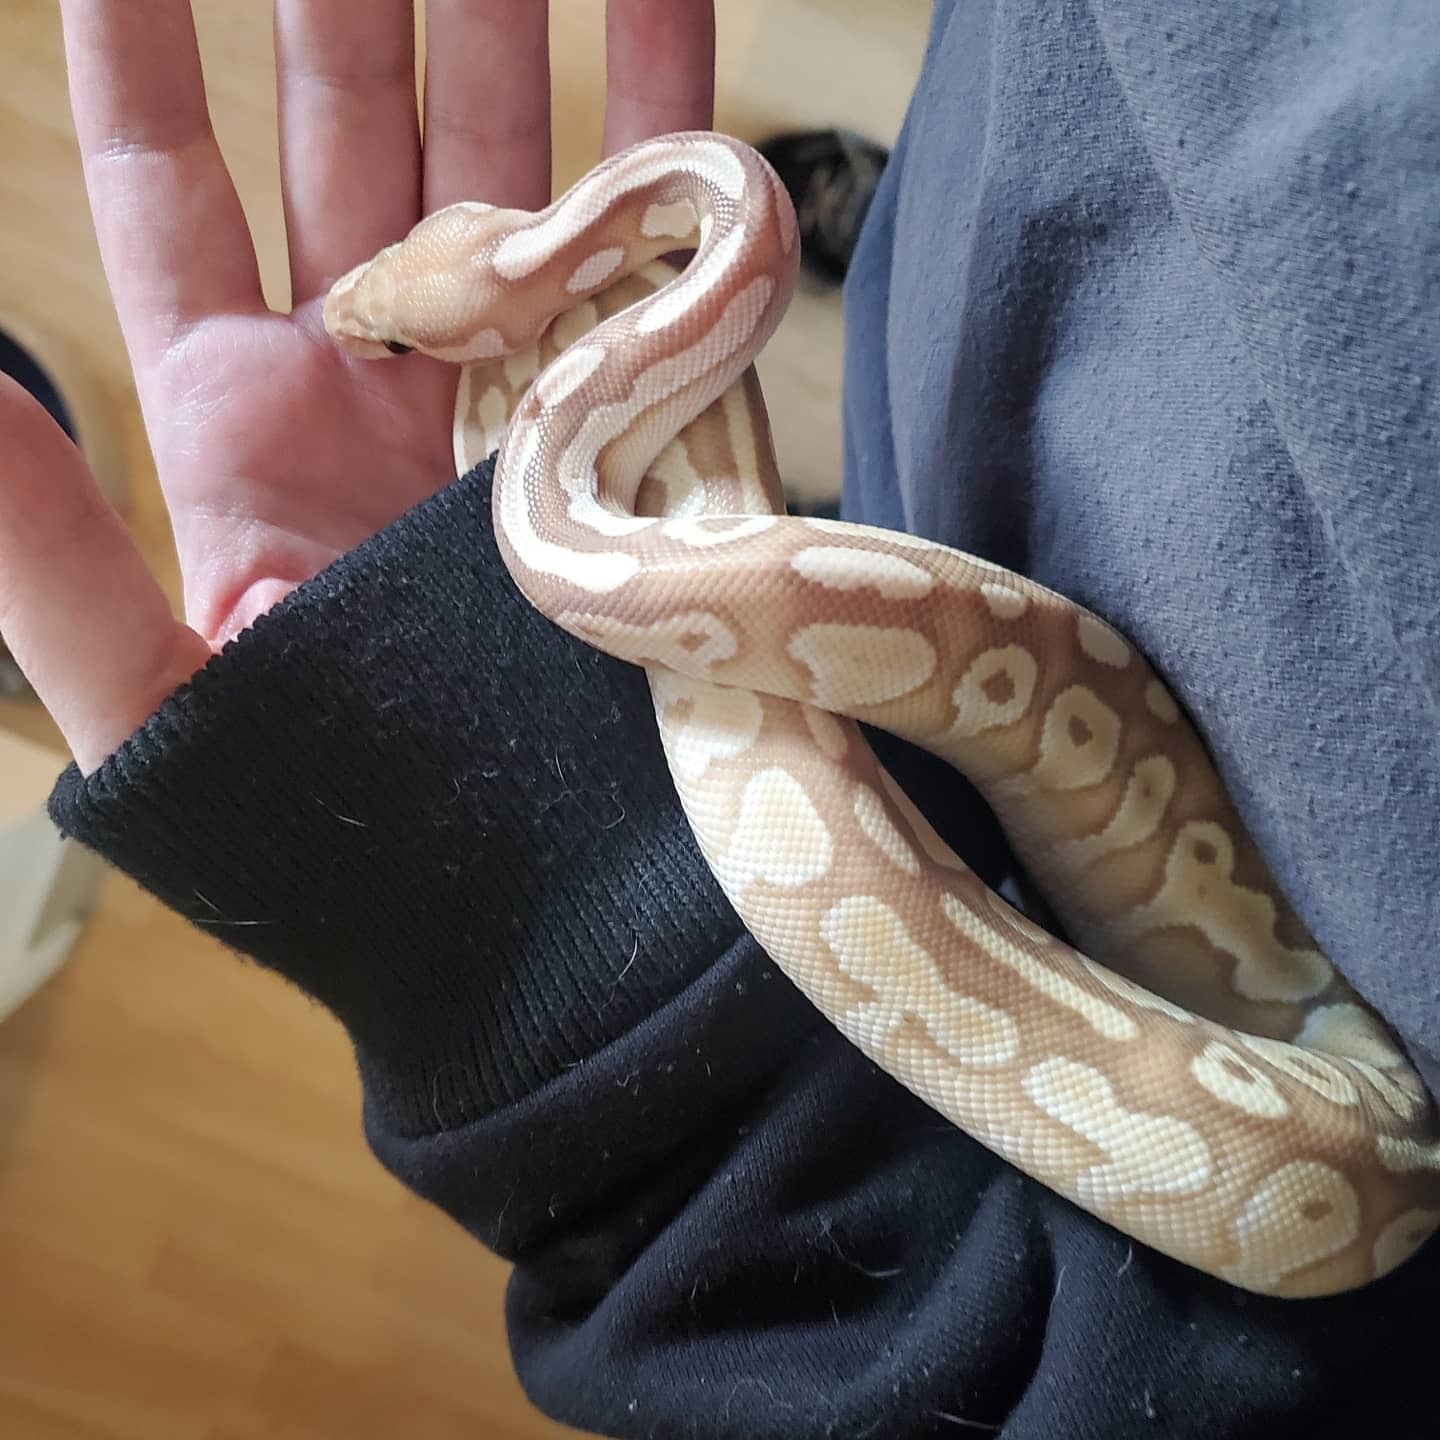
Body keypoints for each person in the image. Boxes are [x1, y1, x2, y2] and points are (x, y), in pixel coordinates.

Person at [2, 2, 1437, 1436]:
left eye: (383, 330)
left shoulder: (555, 472)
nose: (366, 329)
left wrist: (677, 1130)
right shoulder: (644, 263)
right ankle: (865, 225)